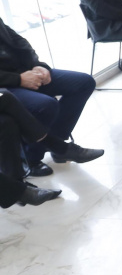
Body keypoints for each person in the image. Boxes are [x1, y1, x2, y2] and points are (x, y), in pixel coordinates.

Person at [0, 18, 102, 176]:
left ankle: (56, 143)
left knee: (84, 83)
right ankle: (32, 159)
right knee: (45, 105)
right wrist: (19, 79)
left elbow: (19, 42)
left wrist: (39, 66)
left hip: (24, 72)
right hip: (5, 86)